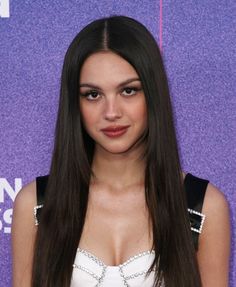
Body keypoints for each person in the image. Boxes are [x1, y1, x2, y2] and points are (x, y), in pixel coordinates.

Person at [11, 15, 230, 287]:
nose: (111, 113)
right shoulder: (35, 205)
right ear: (75, 104)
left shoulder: (203, 206)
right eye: (93, 94)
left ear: (152, 93)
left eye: (128, 90)